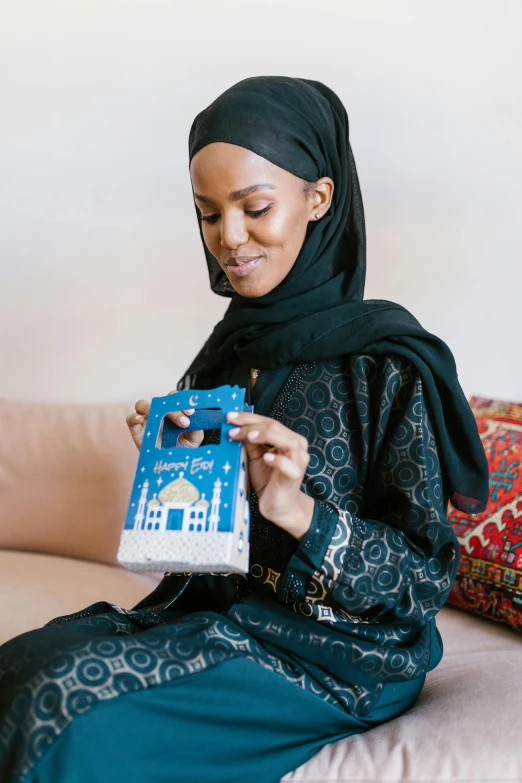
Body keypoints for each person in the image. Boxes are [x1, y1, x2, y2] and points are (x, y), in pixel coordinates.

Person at [0, 75, 489, 783]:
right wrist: (181, 475)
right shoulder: (228, 352)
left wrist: (300, 512)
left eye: (254, 207)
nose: (229, 239)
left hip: (340, 656)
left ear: (318, 198)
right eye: (207, 214)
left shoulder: (388, 366)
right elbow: (205, 559)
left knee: (62, 710)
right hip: (226, 617)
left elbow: (420, 582)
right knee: (22, 665)